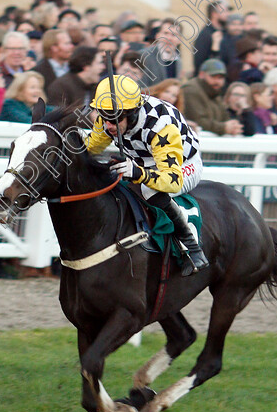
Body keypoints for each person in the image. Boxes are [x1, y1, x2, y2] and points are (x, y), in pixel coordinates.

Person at [84, 75, 208, 276]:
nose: (108, 126)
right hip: (144, 161)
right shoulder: (109, 116)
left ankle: (191, 247)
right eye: (104, 117)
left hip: (183, 165)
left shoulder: (161, 127)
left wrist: (138, 172)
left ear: (132, 114)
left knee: (149, 188)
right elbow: (91, 147)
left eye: (115, 119)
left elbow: (172, 181)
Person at [181, 58, 243, 136]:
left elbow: (225, 117)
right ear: (201, 75)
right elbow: (198, 121)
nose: (217, 81)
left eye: (220, 78)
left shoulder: (214, 91)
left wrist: (233, 126)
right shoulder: (191, 90)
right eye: (213, 76)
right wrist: (223, 128)